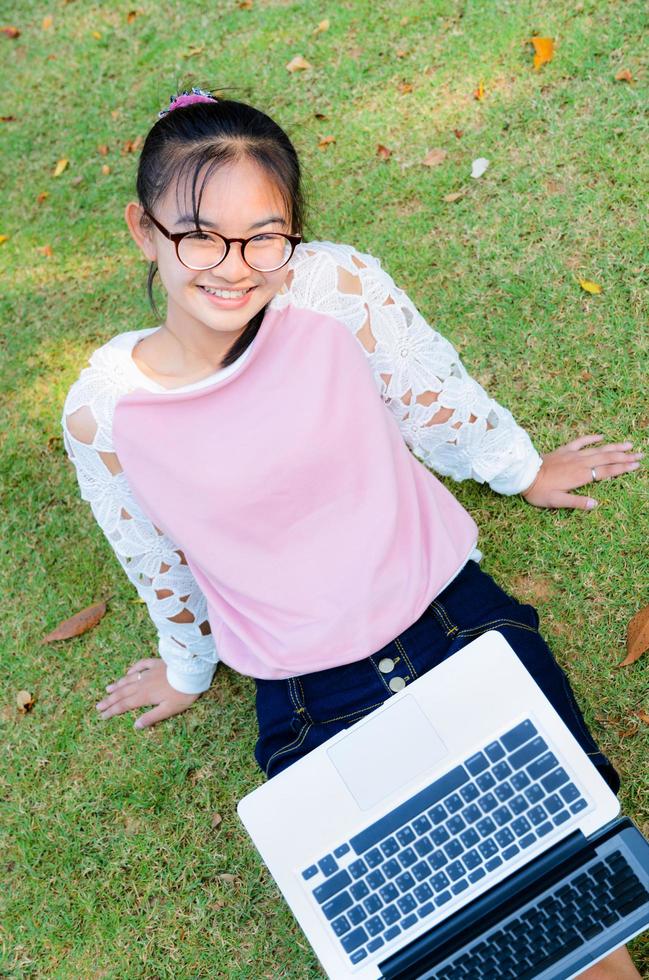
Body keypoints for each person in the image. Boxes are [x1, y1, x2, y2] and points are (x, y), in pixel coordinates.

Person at [61, 90, 642, 978]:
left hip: (452, 623)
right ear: (145, 232)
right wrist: (187, 667)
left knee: (565, 902)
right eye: (199, 234)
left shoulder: (331, 287)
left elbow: (426, 389)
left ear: (293, 231)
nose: (235, 265)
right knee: (432, 941)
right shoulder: (106, 413)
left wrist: (520, 468)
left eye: (265, 233)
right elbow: (153, 555)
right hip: (304, 698)